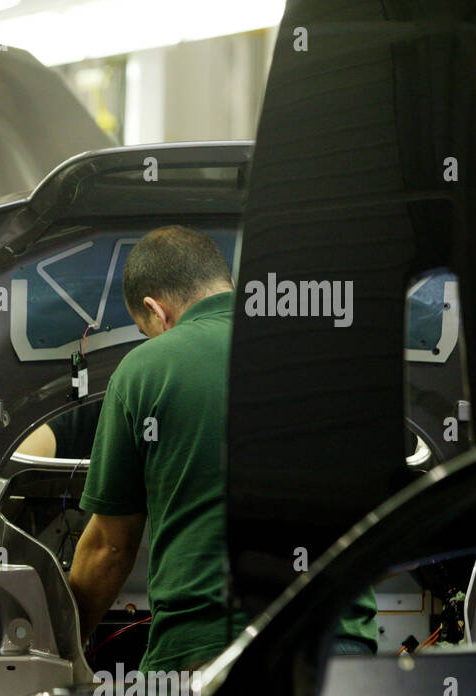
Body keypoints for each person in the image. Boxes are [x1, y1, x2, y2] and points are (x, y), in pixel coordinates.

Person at [62, 225, 375, 672]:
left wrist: (68, 646)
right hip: (341, 649)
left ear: (156, 310)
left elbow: (110, 550)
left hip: (205, 652)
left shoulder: (145, 368)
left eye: (144, 328)